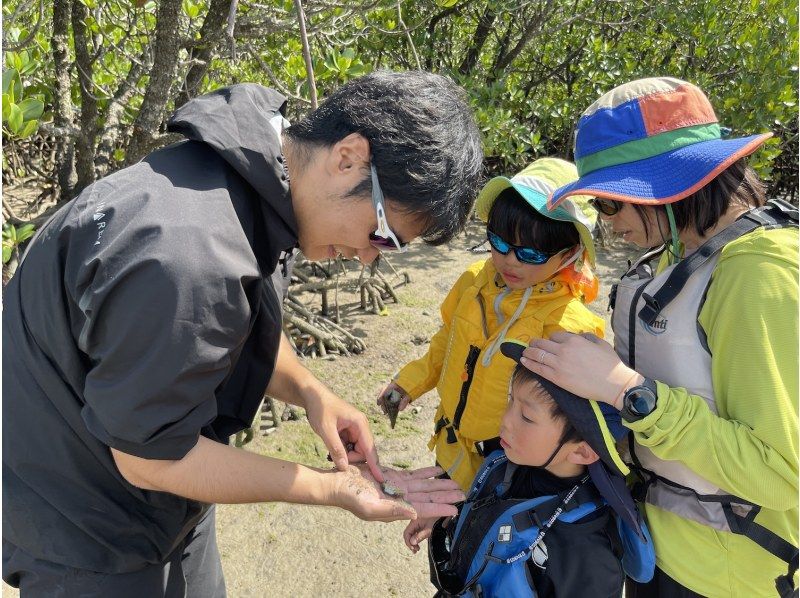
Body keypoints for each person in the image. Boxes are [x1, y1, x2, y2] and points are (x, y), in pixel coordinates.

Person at [2, 71, 483, 596]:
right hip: (83, 526)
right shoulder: (185, 254)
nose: (369, 259)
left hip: (167, 500)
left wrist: (310, 391)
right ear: (348, 157)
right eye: (382, 236)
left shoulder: (258, 180)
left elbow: (235, 321)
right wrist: (333, 487)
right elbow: (150, 456)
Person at [521, 77, 798, 597]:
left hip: (728, 577)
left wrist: (630, 392)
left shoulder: (756, 275)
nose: (607, 226)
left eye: (610, 204)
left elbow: (778, 473)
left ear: (670, 186)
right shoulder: (683, 254)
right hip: (659, 553)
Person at [378, 158, 604, 490]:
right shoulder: (473, 282)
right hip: (451, 448)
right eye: (499, 242)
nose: (510, 260)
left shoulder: (568, 327)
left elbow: (566, 427)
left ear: (570, 254)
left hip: (506, 469)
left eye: (532, 253)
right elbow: (447, 340)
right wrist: (409, 384)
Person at [403, 341, 653, 597]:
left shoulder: (584, 550)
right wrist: (450, 519)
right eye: (511, 400)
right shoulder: (512, 463)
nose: (505, 421)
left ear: (582, 451)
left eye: (527, 417)